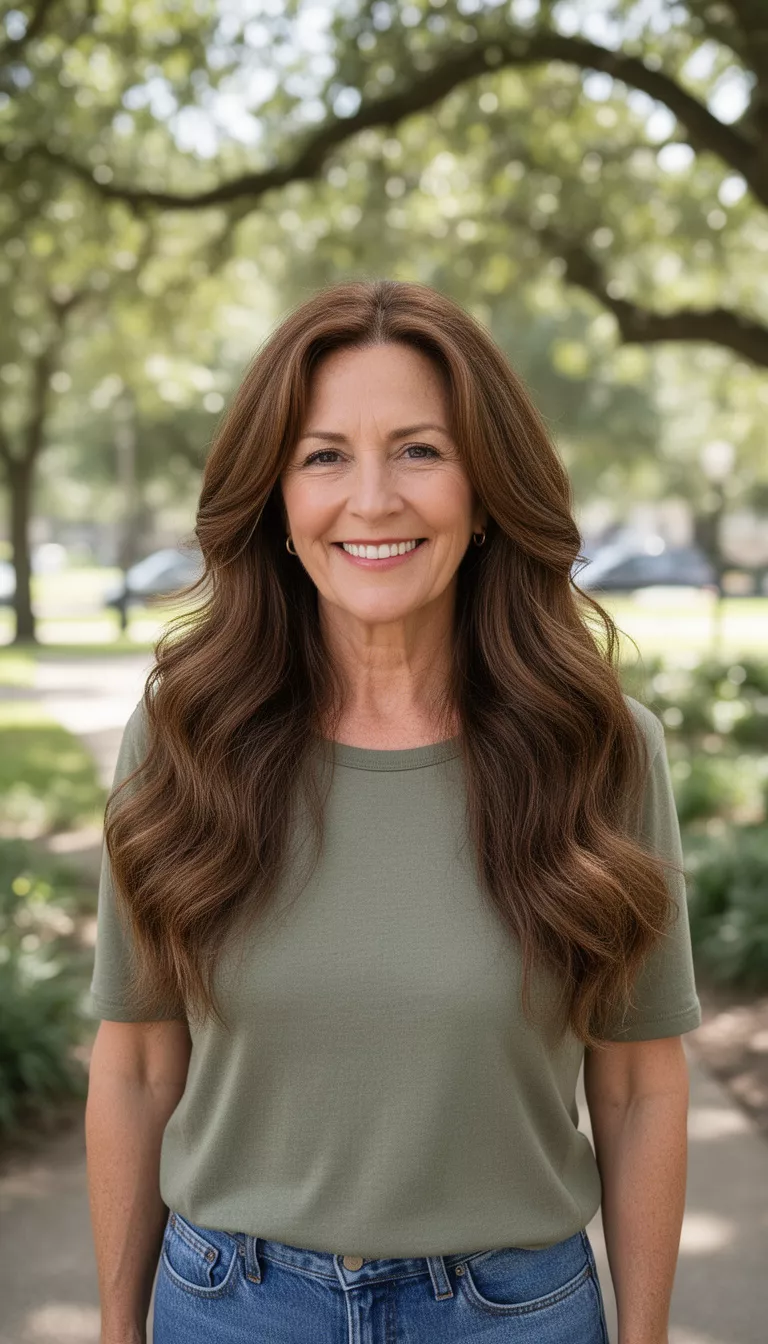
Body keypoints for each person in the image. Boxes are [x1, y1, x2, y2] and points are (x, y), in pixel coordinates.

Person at [85, 278, 701, 1344]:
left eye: (420, 450)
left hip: (515, 1313)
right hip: (231, 1308)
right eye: (325, 455)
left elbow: (643, 1083)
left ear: (487, 486)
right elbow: (137, 1067)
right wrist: (114, 1328)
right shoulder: (186, 740)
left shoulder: (599, 750)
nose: (372, 499)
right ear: (277, 498)